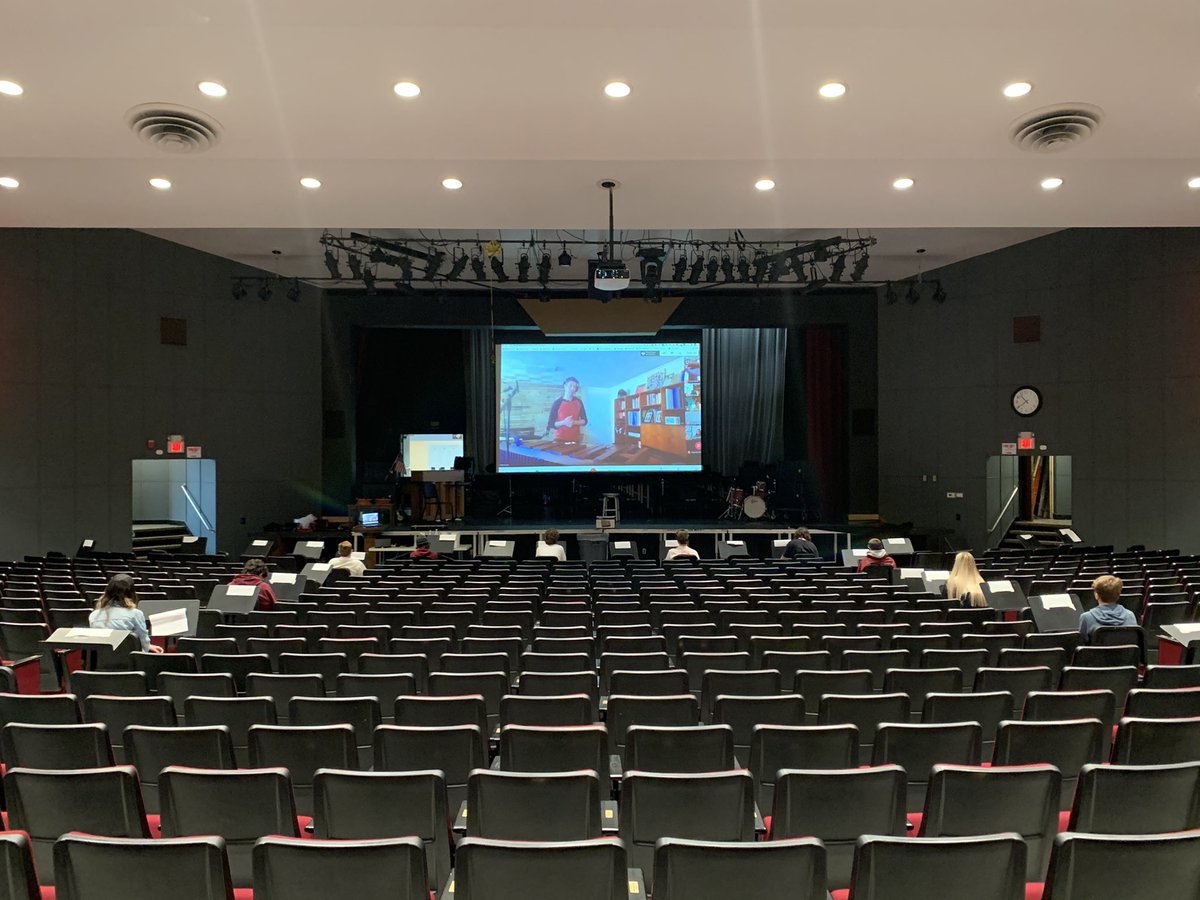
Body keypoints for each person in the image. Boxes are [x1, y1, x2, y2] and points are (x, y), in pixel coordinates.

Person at [88, 574, 163, 653]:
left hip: (101, 661)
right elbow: (143, 643)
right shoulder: (136, 614)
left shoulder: (94, 615)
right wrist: (148, 646)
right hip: (129, 661)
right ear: (132, 594)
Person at [1079, 574, 1136, 642]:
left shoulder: (1086, 617)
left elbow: (1082, 644)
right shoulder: (1130, 615)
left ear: (1096, 595)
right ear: (1118, 595)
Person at [545, 376, 588, 444]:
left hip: (575, 440)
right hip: (559, 440)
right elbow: (551, 423)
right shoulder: (557, 403)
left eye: (575, 387)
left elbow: (585, 421)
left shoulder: (579, 402)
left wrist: (573, 422)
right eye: (570, 386)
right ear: (565, 386)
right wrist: (564, 422)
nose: (572, 389)